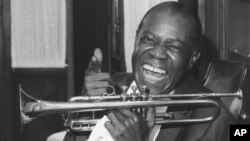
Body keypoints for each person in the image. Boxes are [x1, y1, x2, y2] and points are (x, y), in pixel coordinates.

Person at [47, 1, 236, 141]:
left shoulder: (214, 118)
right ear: (136, 40)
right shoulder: (113, 85)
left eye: (174, 46)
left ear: (192, 59)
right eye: (149, 40)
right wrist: (87, 109)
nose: (158, 52)